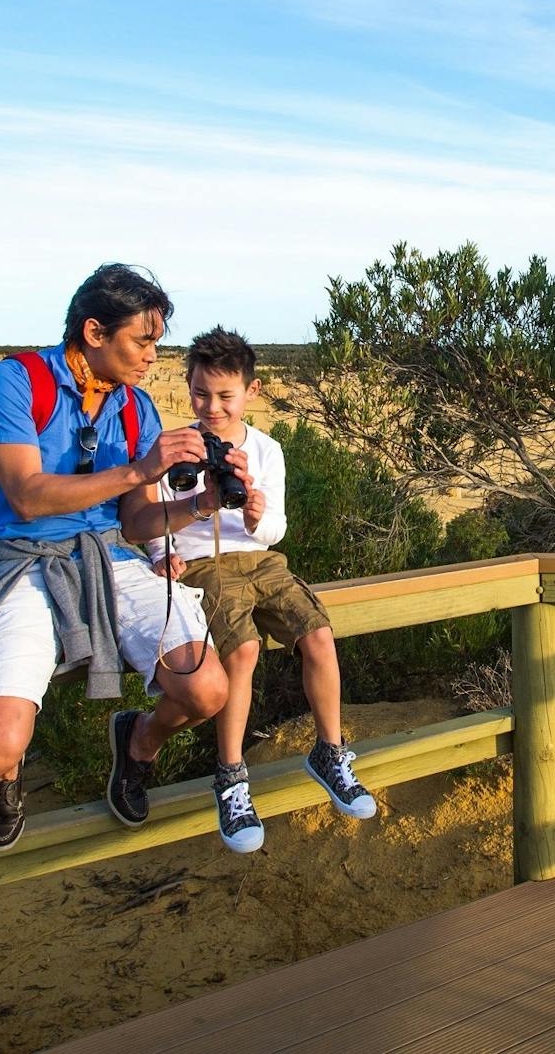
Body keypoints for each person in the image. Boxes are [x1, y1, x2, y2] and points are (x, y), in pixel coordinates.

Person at [0, 265, 236, 851]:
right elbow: (25, 496)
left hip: (109, 561)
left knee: (205, 691)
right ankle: (4, 779)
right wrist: (138, 470)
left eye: (157, 343)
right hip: (23, 563)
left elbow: (137, 520)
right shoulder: (14, 383)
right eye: (142, 341)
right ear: (95, 332)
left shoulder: (134, 407)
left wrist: (201, 505)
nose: (152, 356)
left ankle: (137, 743)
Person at [147, 327, 376, 854]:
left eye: (225, 395)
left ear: (251, 392)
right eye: (201, 393)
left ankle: (330, 752)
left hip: (262, 558)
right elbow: (152, 521)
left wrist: (254, 514)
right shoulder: (174, 448)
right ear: (188, 386)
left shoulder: (267, 450)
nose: (212, 406)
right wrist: (164, 555)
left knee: (318, 634)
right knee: (243, 650)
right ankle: (230, 778)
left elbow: (276, 529)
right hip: (204, 564)